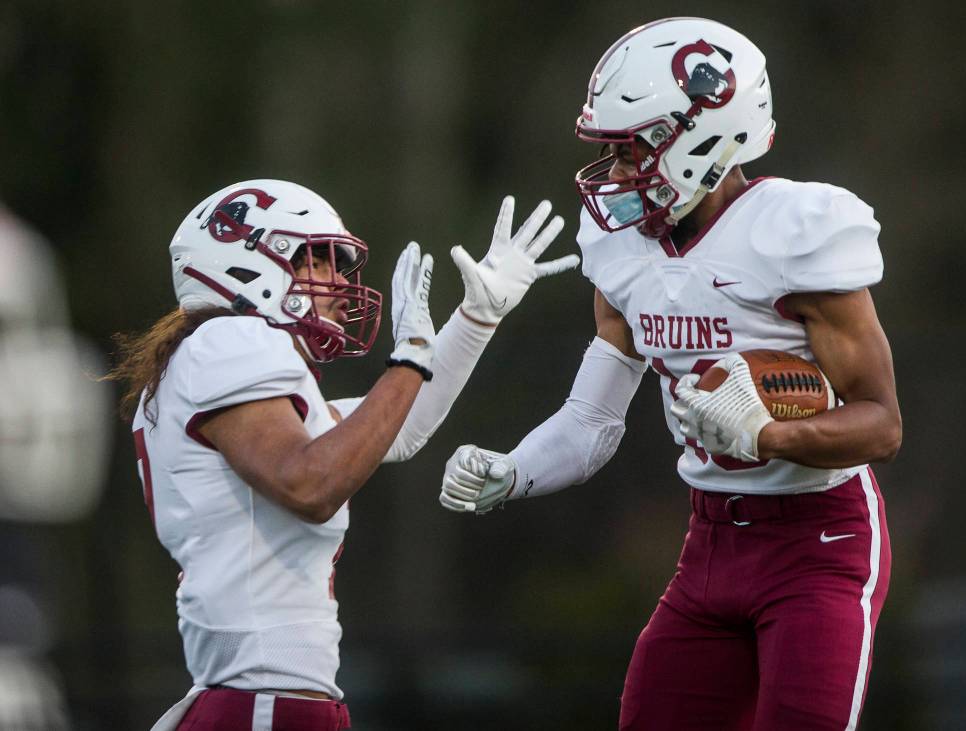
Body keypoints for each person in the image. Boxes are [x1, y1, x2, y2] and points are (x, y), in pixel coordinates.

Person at [439, 17, 901, 731]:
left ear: (708, 133)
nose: (618, 173)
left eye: (633, 149)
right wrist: (517, 470)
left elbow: (882, 423)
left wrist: (769, 435)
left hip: (820, 543)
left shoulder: (796, 230)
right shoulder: (621, 247)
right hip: (710, 542)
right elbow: (591, 421)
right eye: (614, 152)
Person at [105, 179, 576, 730]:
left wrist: (475, 320)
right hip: (264, 700)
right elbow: (312, 485)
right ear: (249, 260)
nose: (335, 284)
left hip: (265, 697)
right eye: (318, 261)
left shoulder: (212, 356)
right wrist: (407, 362)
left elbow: (399, 428)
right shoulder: (229, 342)